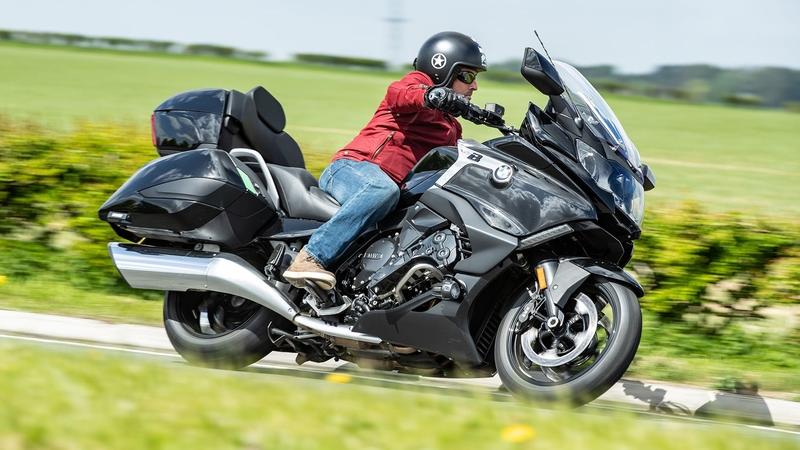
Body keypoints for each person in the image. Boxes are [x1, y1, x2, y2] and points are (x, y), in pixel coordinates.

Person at [283, 31, 487, 290]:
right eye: (468, 76)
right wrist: (430, 96)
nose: (475, 86)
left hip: (387, 186)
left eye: (476, 78)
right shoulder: (417, 86)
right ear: (443, 69)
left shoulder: (450, 127)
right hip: (351, 169)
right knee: (383, 189)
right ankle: (311, 257)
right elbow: (400, 93)